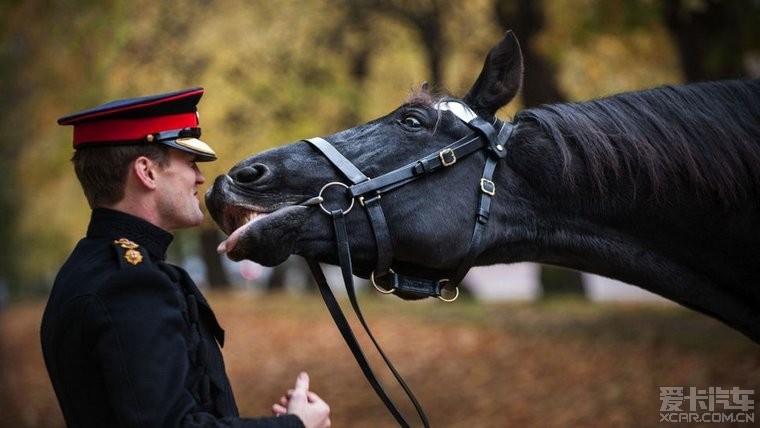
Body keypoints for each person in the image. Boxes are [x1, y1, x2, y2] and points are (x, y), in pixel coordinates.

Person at [40, 88, 331, 428]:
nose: (200, 177)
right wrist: (295, 426)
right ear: (146, 172)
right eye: (190, 163)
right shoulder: (132, 284)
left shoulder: (91, 265)